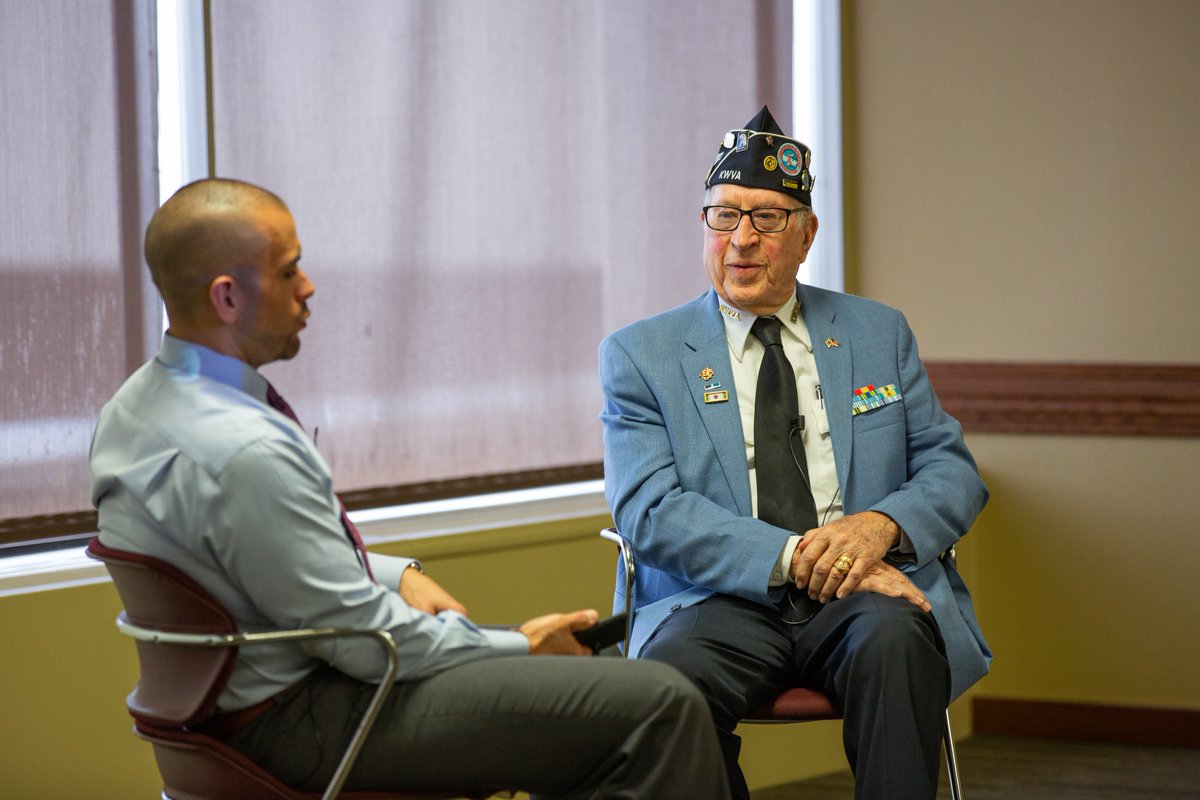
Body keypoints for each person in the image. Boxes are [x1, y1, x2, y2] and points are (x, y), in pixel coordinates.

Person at [91, 177, 731, 799]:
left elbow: (262, 555)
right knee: (660, 702)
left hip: (236, 710)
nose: (308, 287)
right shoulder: (244, 449)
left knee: (596, 694)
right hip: (308, 718)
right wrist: (521, 645)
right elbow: (362, 641)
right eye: (288, 271)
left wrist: (395, 575)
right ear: (227, 298)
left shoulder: (135, 409)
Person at [599, 106, 991, 800]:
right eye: (724, 216)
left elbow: (950, 469)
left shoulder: (876, 332)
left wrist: (880, 527)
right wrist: (794, 556)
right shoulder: (641, 354)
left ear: (807, 235)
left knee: (901, 646)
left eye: (767, 218)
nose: (741, 239)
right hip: (717, 597)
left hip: (861, 593)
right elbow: (649, 511)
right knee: (670, 689)